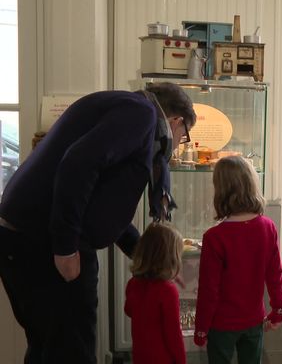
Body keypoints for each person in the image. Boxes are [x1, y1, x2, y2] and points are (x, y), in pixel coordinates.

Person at [0, 82, 196, 364]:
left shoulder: (126, 108)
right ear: (176, 122)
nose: (178, 147)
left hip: (22, 238)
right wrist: (66, 248)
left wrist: (150, 257)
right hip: (44, 242)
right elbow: (77, 163)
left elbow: (98, 205)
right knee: (72, 352)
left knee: (48, 348)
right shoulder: (142, 114)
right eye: (184, 136)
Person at [194, 155, 282, 364]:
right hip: (254, 320)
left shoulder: (214, 237)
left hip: (221, 324)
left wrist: (200, 329)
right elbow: (275, 275)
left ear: (221, 190)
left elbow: (209, 290)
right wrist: (278, 309)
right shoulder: (267, 227)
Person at [125, 222, 186, 364]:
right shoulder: (168, 291)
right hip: (163, 358)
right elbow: (173, 335)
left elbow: (128, 310)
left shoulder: (133, 283)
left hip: (140, 356)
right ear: (171, 259)